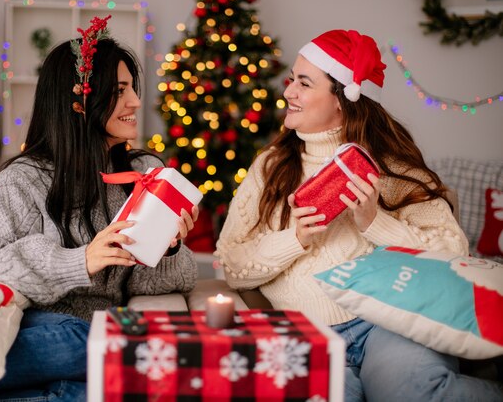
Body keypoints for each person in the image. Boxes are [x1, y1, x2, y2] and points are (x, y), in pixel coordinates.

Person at [215, 29, 503, 401]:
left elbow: (453, 251)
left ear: (342, 100)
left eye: (304, 83)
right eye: (292, 80)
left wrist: (374, 223)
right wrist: (297, 238)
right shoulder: (270, 167)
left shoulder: (392, 170)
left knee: (415, 393)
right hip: (310, 338)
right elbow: (232, 263)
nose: (288, 92)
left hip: (388, 323)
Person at [0, 16, 199, 401]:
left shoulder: (145, 172)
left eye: (133, 88)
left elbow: (158, 280)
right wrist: (79, 261)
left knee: (85, 383)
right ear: (80, 100)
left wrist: (167, 246)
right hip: (37, 330)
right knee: (88, 339)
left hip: (85, 342)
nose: (135, 102)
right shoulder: (24, 178)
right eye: (120, 90)